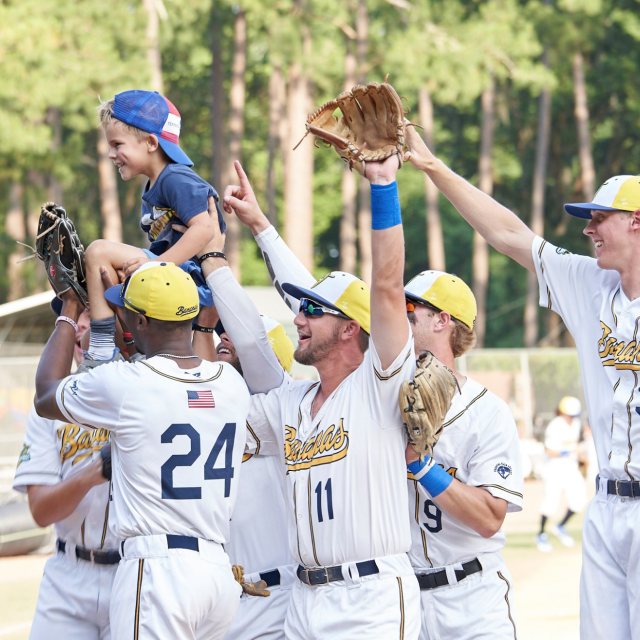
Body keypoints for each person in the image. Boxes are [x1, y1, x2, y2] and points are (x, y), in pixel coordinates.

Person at [228, 170, 523, 639]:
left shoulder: (482, 410)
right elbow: (316, 303)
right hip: (390, 587)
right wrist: (262, 228)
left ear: (444, 322)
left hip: (464, 592)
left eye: (410, 312)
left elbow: (490, 518)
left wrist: (423, 467)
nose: (391, 315)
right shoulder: (370, 385)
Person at [402, 124, 640, 639]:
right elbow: (508, 234)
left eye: (599, 218)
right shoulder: (589, 284)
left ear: (637, 221)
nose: (588, 229)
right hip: (606, 505)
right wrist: (431, 166)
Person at [222, 160, 421, 639]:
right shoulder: (288, 403)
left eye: (312, 310)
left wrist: (383, 186)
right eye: (300, 308)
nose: (298, 318)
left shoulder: (378, 387)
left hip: (369, 599)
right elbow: (235, 361)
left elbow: (388, 288)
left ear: (352, 327)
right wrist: (248, 233)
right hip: (303, 601)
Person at [33, 261, 249, 640]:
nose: (121, 315)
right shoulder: (230, 383)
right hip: (217, 571)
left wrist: (69, 308)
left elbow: (46, 395)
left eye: (127, 311)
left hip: (159, 571)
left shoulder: (129, 384)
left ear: (143, 324)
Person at [81, 89, 223, 368]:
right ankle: (125, 352)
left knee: (98, 251)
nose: (111, 154)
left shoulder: (176, 178)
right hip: (176, 275)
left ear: (150, 142)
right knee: (110, 273)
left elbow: (205, 229)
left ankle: (99, 353)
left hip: (192, 280)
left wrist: (154, 265)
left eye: (117, 144)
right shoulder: (156, 184)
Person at [13, 306, 118, 640]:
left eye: (94, 311)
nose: (83, 325)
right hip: (68, 575)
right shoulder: (48, 406)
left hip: (135, 570)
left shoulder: (142, 391)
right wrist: (92, 473)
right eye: (77, 315)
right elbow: (41, 510)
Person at [537, 396, 587, 552]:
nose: (572, 418)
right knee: (550, 504)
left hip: (570, 468)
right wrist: (571, 450)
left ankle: (561, 526)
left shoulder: (576, 424)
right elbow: (550, 451)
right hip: (554, 468)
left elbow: (577, 445)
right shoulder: (555, 425)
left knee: (580, 501)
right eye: (570, 415)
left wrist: (580, 456)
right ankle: (541, 535)